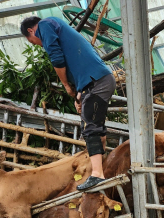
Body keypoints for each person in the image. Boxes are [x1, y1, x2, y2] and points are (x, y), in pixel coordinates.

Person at [20, 16, 115, 191]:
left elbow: (56, 57)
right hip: (94, 81)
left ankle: (98, 174)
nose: (37, 44)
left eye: (33, 42)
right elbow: (78, 64)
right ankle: (101, 169)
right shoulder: (58, 27)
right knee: (92, 125)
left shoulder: (45, 25)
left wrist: (65, 85)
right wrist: (79, 95)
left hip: (97, 81)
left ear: (30, 31)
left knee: (90, 126)